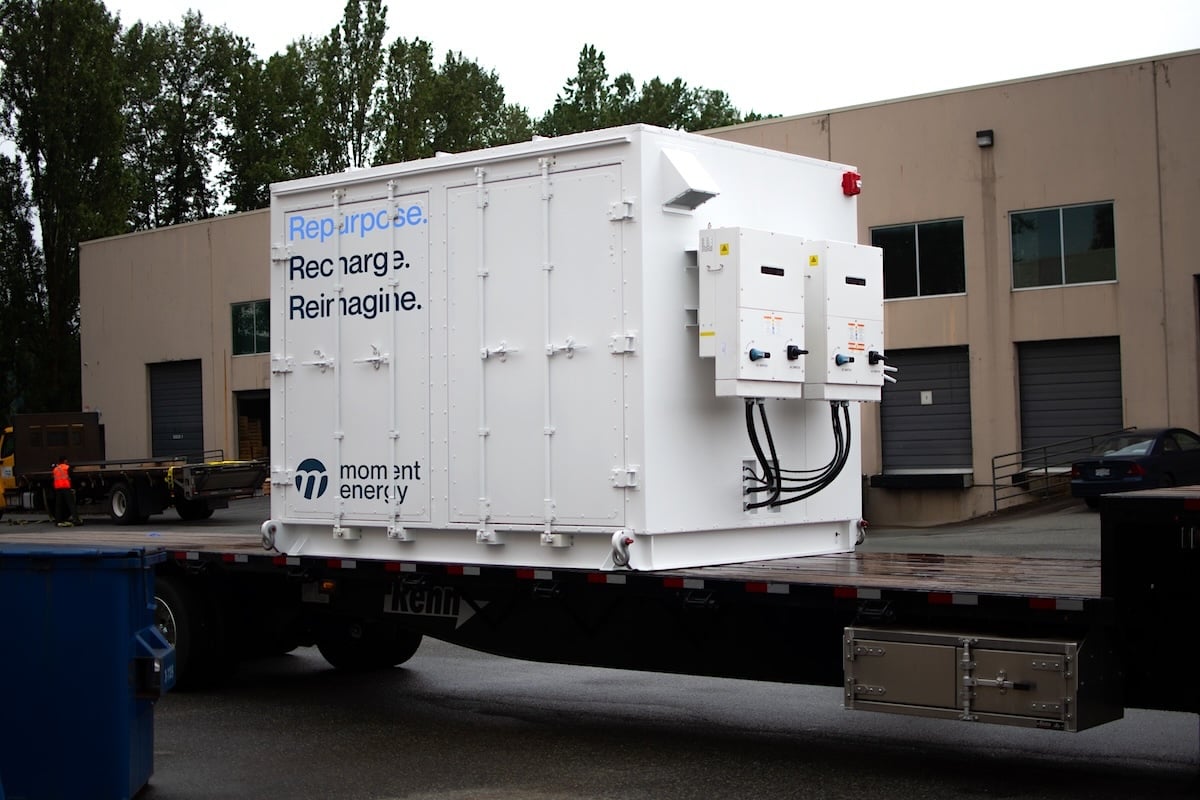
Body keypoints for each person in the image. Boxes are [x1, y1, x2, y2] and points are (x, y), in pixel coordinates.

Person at [52, 455, 82, 527]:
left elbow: (53, 478)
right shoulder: (67, 468)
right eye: (67, 460)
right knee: (71, 504)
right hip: (66, 488)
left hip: (58, 489)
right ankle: (76, 520)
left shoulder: (55, 469)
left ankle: (58, 521)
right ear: (65, 461)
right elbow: (73, 477)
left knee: (58, 506)